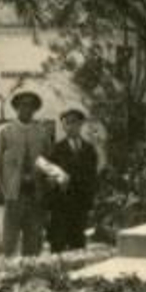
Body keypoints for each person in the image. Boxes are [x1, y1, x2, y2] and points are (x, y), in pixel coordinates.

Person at [0, 91, 54, 257]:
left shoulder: (41, 132)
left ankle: (29, 276)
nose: (27, 109)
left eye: (31, 105)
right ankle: (4, 275)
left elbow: (48, 160)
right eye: (23, 105)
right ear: (16, 107)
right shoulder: (4, 131)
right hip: (11, 193)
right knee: (7, 241)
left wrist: (54, 180)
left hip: (35, 194)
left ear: (35, 109)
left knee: (33, 241)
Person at [46, 108, 99, 255]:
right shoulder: (56, 148)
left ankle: (77, 275)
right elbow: (47, 172)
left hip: (80, 203)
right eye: (67, 123)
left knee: (78, 244)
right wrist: (56, 180)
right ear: (63, 126)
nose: (71, 126)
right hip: (61, 204)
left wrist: (90, 201)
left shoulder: (89, 149)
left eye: (74, 122)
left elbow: (92, 176)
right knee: (58, 243)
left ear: (81, 124)